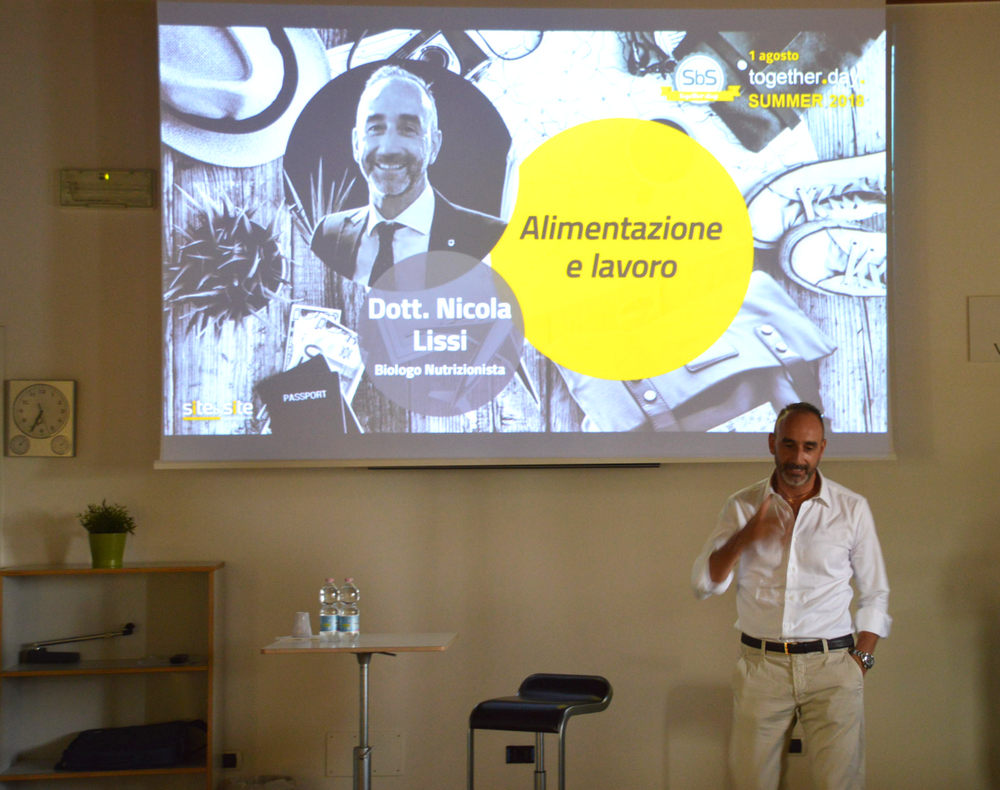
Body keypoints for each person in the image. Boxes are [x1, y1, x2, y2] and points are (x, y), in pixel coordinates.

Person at [691, 402, 891, 790]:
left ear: (822, 449)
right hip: (762, 667)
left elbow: (876, 592)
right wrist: (746, 536)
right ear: (772, 443)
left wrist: (860, 661)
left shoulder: (851, 508)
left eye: (809, 447)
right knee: (752, 783)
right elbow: (703, 584)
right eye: (789, 445)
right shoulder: (742, 505)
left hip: (833, 667)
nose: (798, 458)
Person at [311, 65, 506, 285]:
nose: (388, 148)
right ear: (356, 144)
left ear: (434, 145)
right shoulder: (329, 236)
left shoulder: (491, 239)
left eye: (408, 129)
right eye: (375, 128)